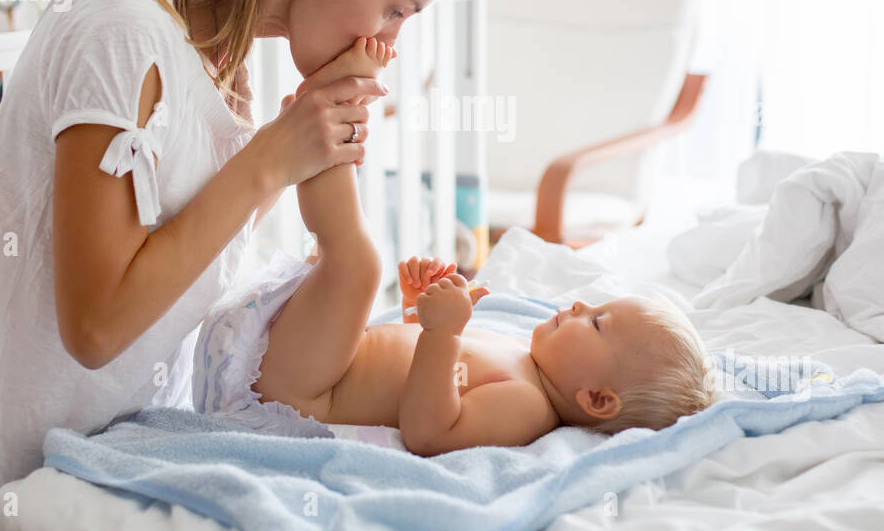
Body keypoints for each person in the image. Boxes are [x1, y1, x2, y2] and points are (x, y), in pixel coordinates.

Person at [0, 0, 472, 531]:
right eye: (397, 8)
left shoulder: (223, 51)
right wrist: (268, 160)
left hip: (113, 458)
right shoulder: (123, 32)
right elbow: (97, 327)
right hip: (2, 484)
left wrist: (297, 146)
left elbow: (191, 242)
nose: (391, 42)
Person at [193, 36, 717, 456]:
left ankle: (326, 113)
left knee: (355, 263)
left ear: (597, 399)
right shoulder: (520, 355)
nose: (579, 304)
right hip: (317, 364)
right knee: (345, 264)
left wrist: (442, 334)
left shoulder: (527, 406)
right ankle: (318, 124)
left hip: (306, 395)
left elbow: (430, 431)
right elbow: (403, 371)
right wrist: (418, 316)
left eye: (598, 322)